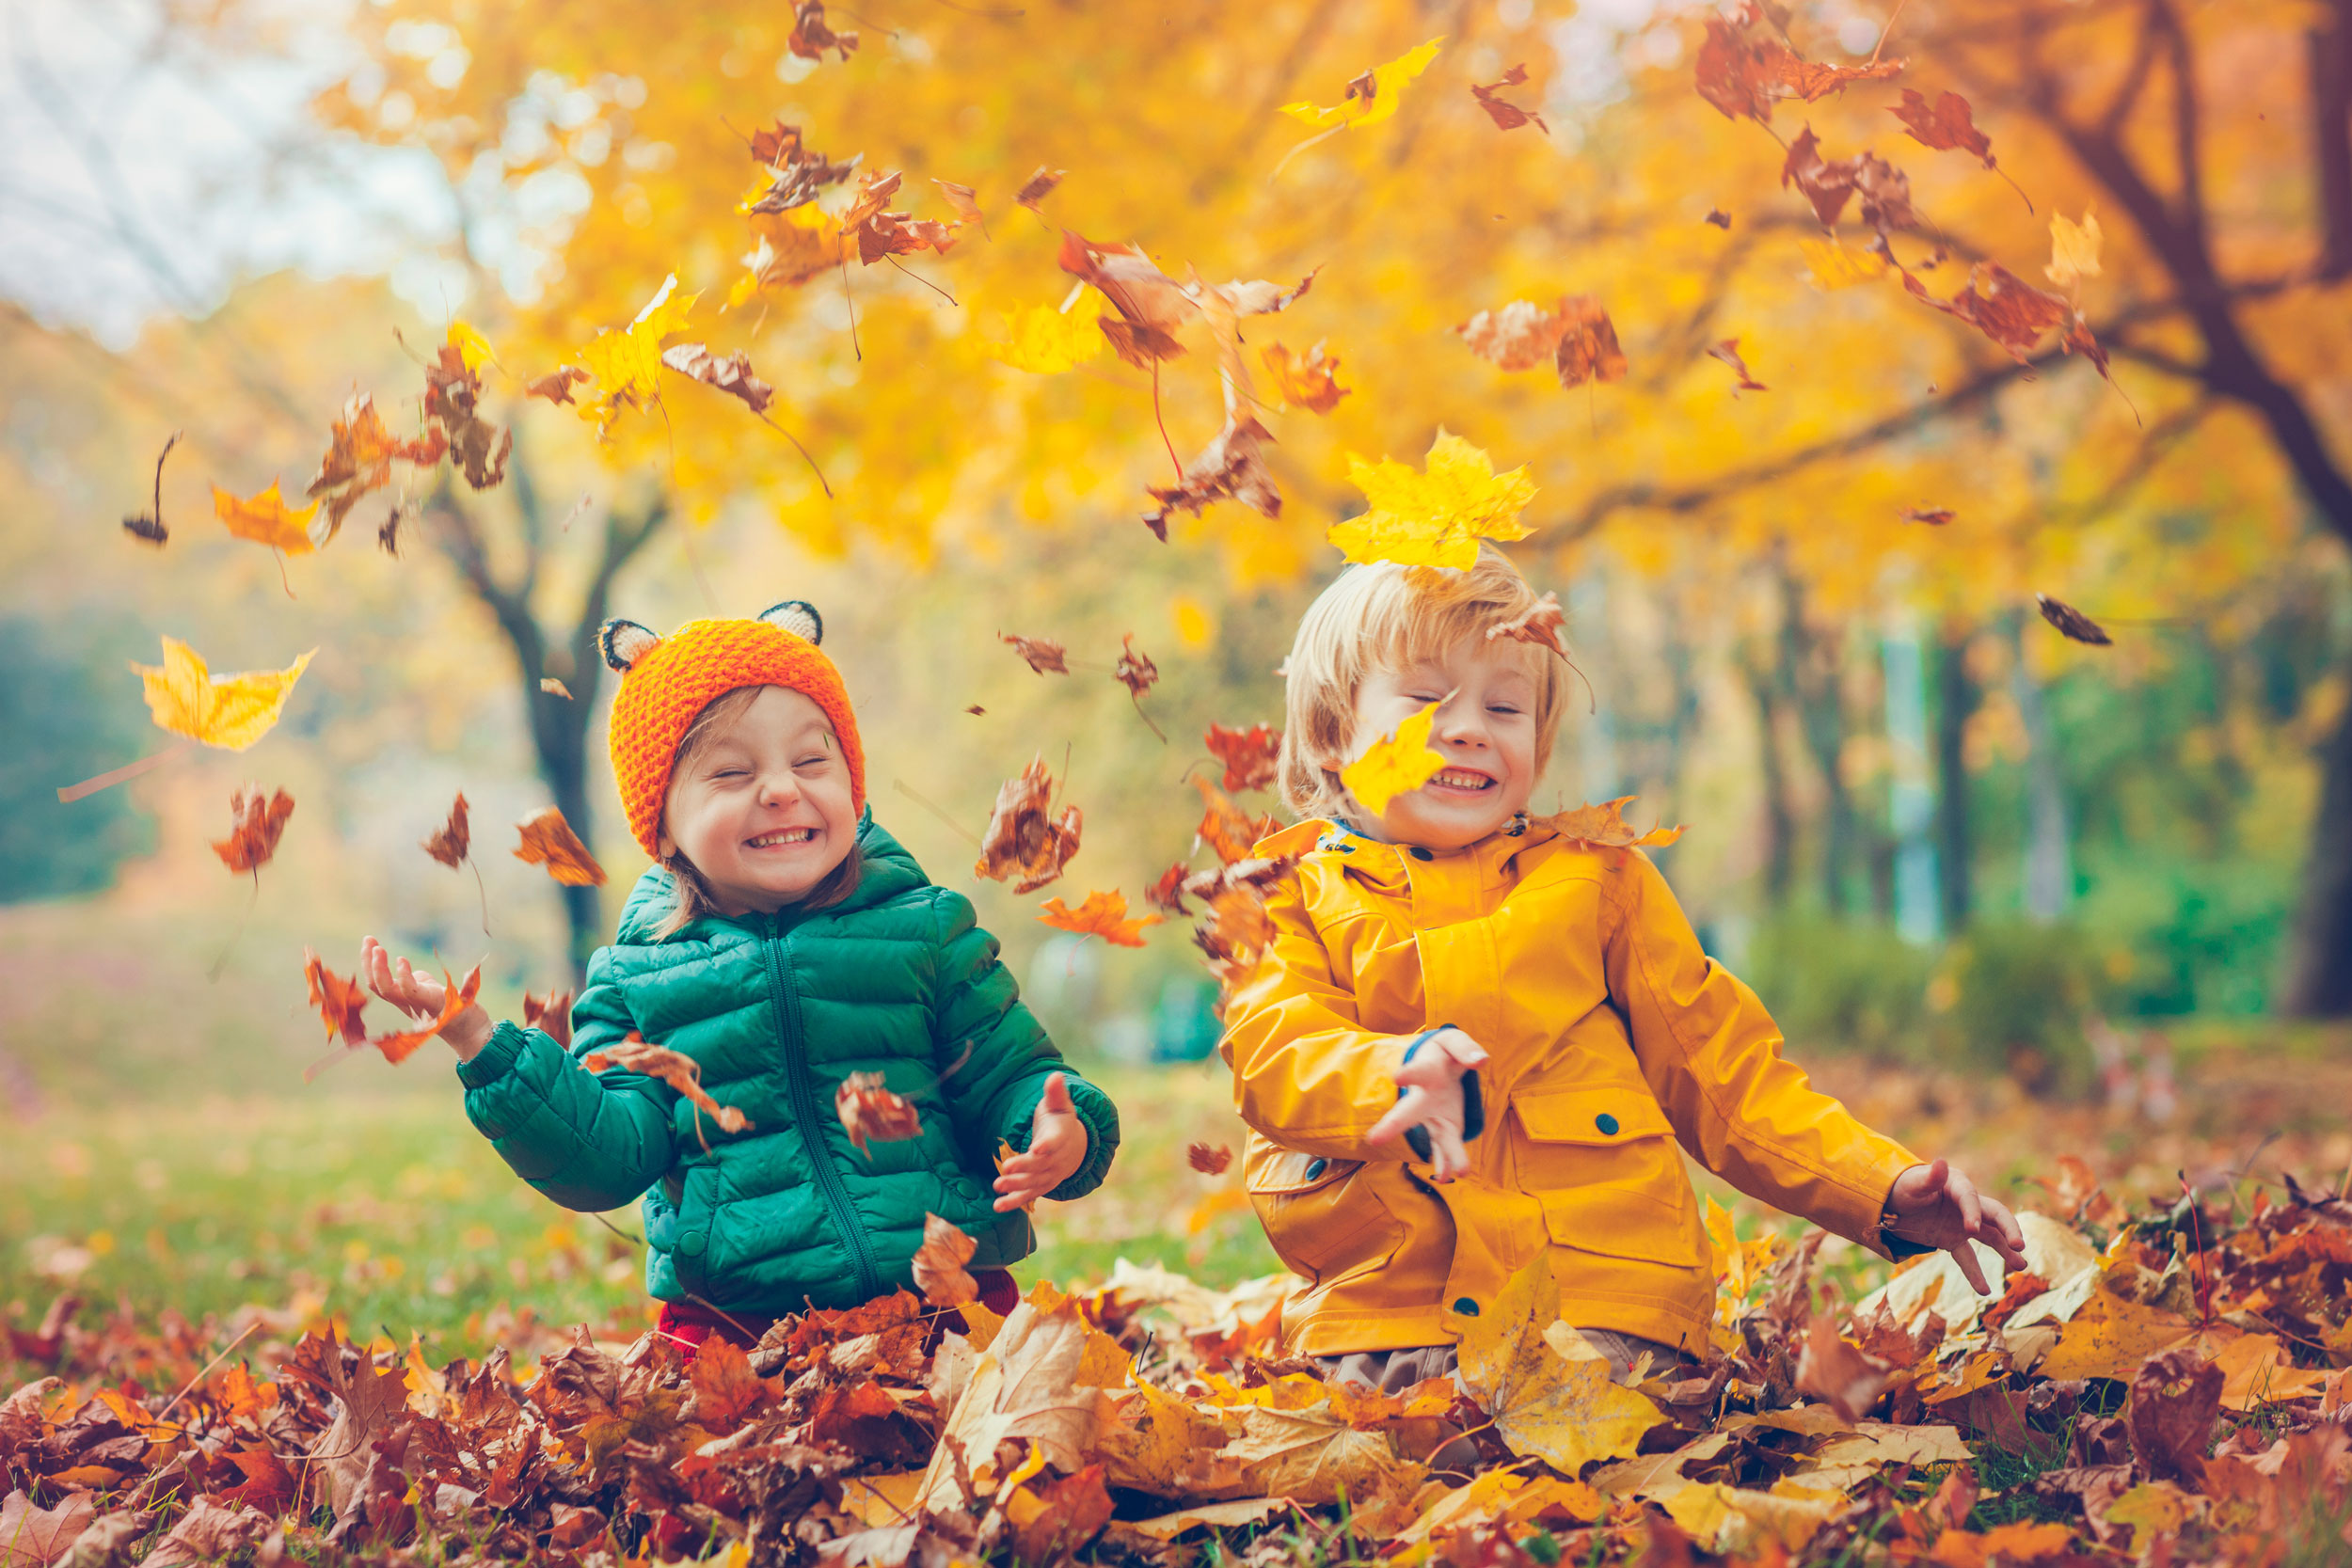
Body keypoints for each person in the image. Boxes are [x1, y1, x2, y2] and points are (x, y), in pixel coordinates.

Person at [1220, 547, 2026, 1395]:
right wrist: (1389, 1076)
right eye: (1425, 698)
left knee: (1570, 1431)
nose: (1468, 727)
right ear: (1329, 732)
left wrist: (1883, 1188)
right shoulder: (1287, 896)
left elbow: (1729, 1077)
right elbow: (1275, 1052)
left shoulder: (1596, 880)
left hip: (1601, 1304)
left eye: (1505, 705)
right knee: (1399, 1454)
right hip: (1390, 1319)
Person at [360, 600, 1118, 1354]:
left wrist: (1060, 1128)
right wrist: (480, 1043)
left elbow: (1011, 1073)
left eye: (812, 761)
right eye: (731, 771)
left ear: (850, 787)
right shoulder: (633, 979)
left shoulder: (926, 929)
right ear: (662, 828)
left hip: (946, 1303)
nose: (782, 788)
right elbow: (607, 1154)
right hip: (739, 1329)